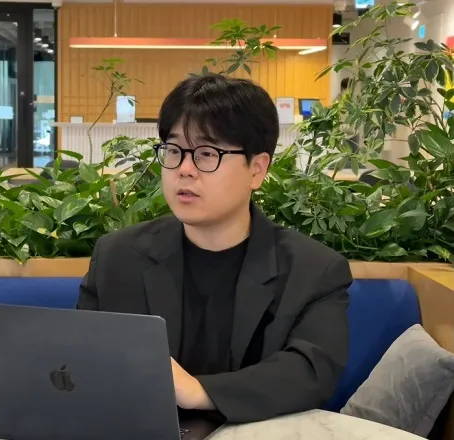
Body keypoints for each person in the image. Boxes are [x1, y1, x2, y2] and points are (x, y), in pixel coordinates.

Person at [77, 74, 353, 424]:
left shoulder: (313, 270)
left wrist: (199, 392)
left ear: (257, 170)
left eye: (207, 154)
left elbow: (310, 370)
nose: (184, 170)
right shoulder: (118, 257)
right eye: (174, 151)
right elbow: (84, 359)